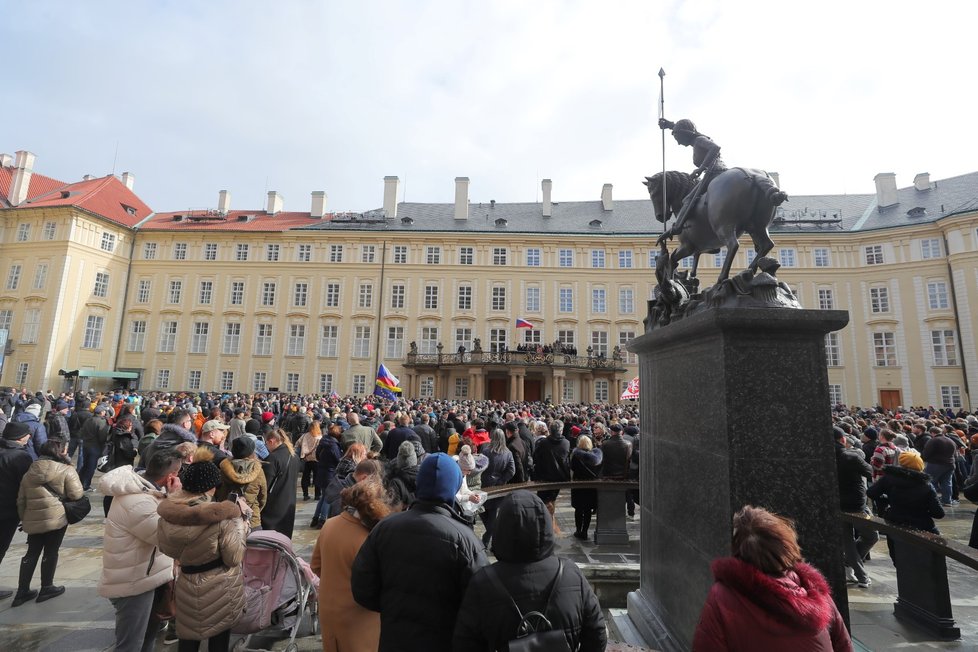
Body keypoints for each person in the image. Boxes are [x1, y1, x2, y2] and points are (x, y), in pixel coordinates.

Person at [352, 452, 489, 651]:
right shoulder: (466, 540)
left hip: (395, 639)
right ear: (454, 486)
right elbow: (481, 602)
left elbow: (362, 588)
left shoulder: (385, 528)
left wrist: (393, 609)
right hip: (445, 640)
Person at [453, 490, 608, 651]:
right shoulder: (571, 573)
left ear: (502, 529)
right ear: (545, 526)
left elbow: (465, 643)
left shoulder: (483, 582)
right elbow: (596, 633)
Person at [691, 505, 851, 651]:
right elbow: (843, 645)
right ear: (787, 546)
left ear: (738, 550)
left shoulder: (722, 597)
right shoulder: (814, 590)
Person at [156, 449, 250, 652]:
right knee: (218, 638)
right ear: (213, 487)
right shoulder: (221, 518)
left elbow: (165, 547)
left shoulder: (170, 514)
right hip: (218, 585)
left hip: (187, 580)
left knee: (188, 637)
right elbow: (234, 557)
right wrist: (241, 523)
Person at [99, 448, 184, 652]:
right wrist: (174, 498)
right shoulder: (138, 502)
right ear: (170, 476)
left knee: (148, 637)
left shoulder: (147, 490)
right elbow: (166, 537)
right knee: (131, 644)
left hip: (148, 575)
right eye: (178, 473)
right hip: (133, 582)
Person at [311, 479, 392, 652]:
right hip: (360, 617)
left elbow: (316, 566)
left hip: (328, 610)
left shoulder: (329, 524)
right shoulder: (368, 540)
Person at [14, 437, 84, 606]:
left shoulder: (30, 471)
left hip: (32, 518)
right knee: (51, 552)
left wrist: (25, 519)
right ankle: (47, 587)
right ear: (61, 452)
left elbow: (21, 500)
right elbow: (76, 495)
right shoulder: (66, 470)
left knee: (31, 552)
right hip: (56, 517)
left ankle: (22, 591)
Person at [656, 117, 726, 243]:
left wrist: (700, 169)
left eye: (678, 138)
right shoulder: (697, 140)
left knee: (688, 199)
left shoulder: (699, 140)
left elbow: (715, 148)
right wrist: (669, 125)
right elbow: (683, 129)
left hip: (714, 173)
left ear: (684, 134)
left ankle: (677, 227)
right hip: (714, 172)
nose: (678, 143)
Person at [867, 450, 945, 541]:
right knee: (938, 545)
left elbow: (871, 493)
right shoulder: (926, 485)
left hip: (894, 521)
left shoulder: (889, 478)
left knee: (896, 552)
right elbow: (939, 513)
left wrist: (889, 500)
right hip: (921, 525)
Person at [834, 426, 877, 589]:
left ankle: (849, 565)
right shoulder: (851, 456)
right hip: (856, 503)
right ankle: (861, 575)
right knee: (871, 536)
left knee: (848, 542)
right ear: (843, 439)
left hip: (837, 503)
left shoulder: (825, 456)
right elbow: (869, 471)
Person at [0, 421, 34, 600]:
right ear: (21, 437)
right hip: (7, 510)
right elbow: (27, 485)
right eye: (28, 434)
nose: (30, 436)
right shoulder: (21, 457)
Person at [215, 437, 267, 530]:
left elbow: (219, 493)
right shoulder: (258, 471)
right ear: (252, 451)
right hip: (252, 518)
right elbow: (262, 497)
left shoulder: (223, 469)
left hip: (228, 517)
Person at [533, 420, 571, 534]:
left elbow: (536, 458)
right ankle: (549, 523)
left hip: (544, 476)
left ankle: (546, 525)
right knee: (551, 500)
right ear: (561, 430)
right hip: (559, 476)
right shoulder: (566, 442)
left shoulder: (544, 443)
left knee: (543, 501)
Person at [479, 429, 515, 548]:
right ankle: (491, 538)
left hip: (485, 485)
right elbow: (511, 471)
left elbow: (480, 467)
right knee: (491, 513)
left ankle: (488, 539)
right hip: (498, 487)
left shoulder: (486, 451)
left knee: (484, 511)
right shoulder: (507, 453)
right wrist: (502, 480)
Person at [261, 428, 299, 537]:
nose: (266, 447)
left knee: (269, 540)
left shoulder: (273, 458)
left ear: (271, 441)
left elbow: (265, 485)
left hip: (273, 505)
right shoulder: (293, 456)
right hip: (289, 502)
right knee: (284, 539)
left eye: (266, 444)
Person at [571, 435, 603, 541]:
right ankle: (584, 531)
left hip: (578, 485)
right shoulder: (596, 457)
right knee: (588, 510)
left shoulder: (576, 456)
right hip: (591, 486)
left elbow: (572, 468)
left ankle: (578, 530)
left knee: (579, 509)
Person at [296, 417, 322, 501]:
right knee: (317, 477)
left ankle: (305, 494)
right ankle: (317, 495)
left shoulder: (305, 436)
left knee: (305, 477)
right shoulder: (320, 437)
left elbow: (297, 444)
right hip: (316, 460)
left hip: (306, 459)